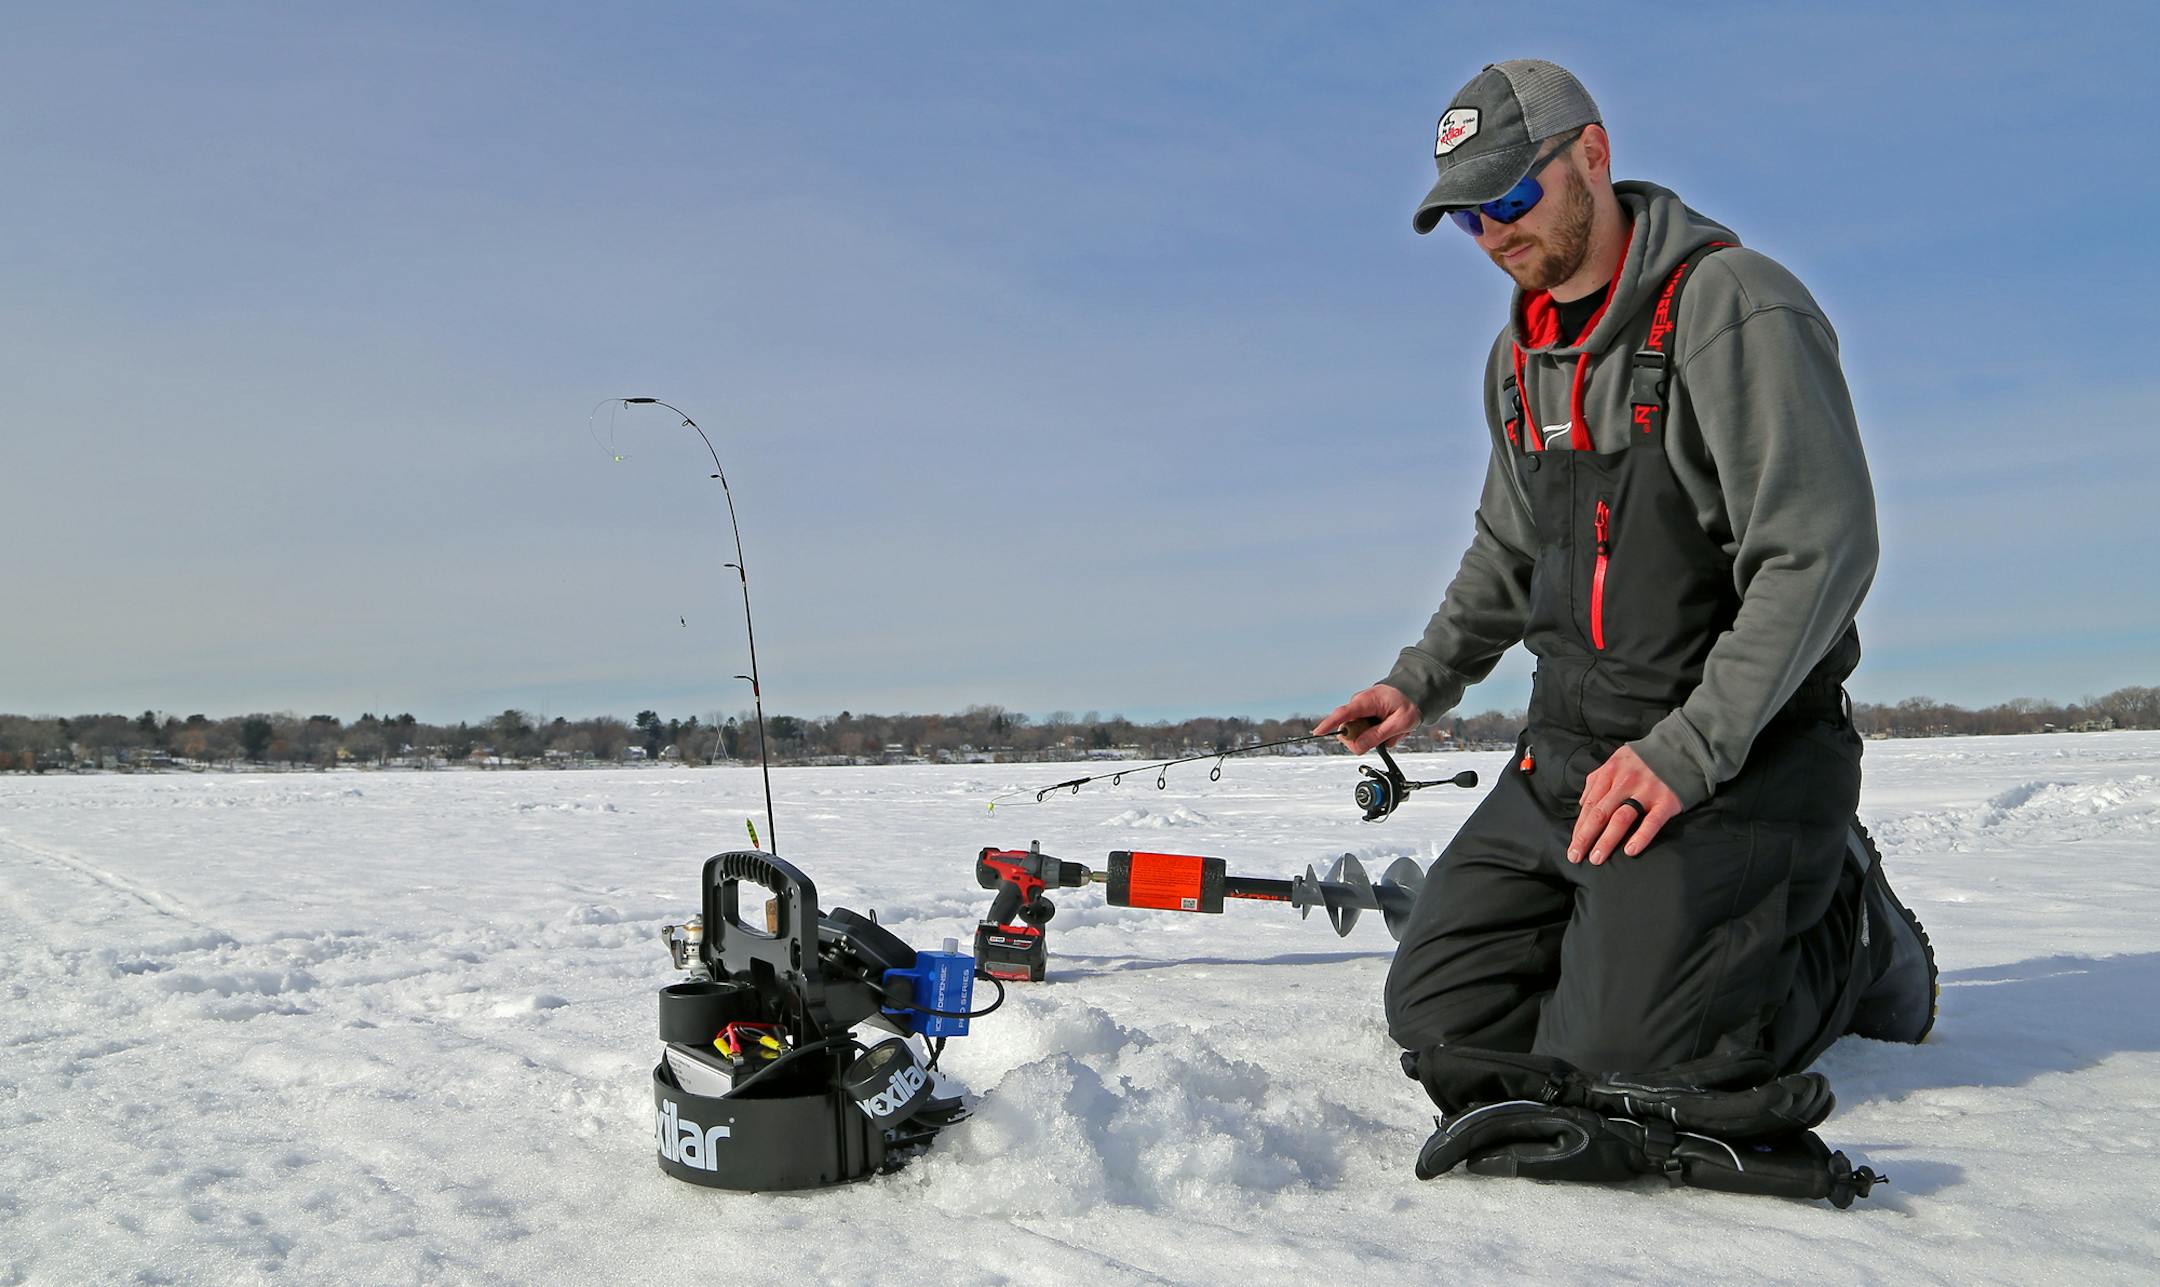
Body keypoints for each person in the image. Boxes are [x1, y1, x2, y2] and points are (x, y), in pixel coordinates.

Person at [1314, 59, 1936, 1198]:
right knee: (1443, 1021)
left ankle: (1848, 935)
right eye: (1468, 214)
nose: (1492, 234)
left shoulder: (1734, 308)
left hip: (1733, 757)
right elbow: (1509, 553)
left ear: (1590, 158)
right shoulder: (1519, 362)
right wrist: (1421, 681)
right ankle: (1644, 942)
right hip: (1569, 754)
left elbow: (1820, 554)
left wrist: (1686, 751)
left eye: (1511, 199)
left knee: (1624, 1062)